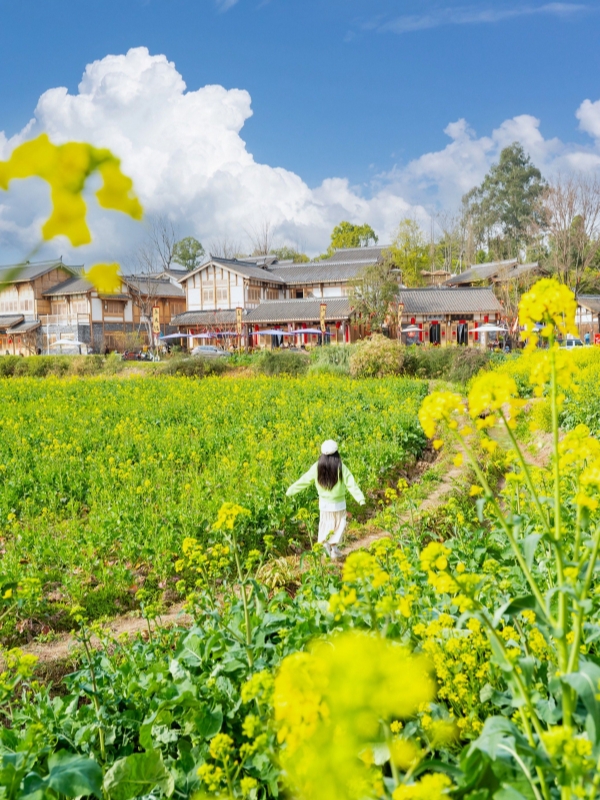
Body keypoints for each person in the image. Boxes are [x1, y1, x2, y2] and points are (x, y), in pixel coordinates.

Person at [286, 440, 365, 559]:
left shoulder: (317, 467)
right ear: (336, 454)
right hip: (339, 504)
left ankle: (326, 547)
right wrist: (360, 499)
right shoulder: (341, 467)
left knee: (326, 526)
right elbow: (351, 484)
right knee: (339, 525)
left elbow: (304, 480)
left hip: (324, 505)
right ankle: (334, 549)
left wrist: (290, 491)